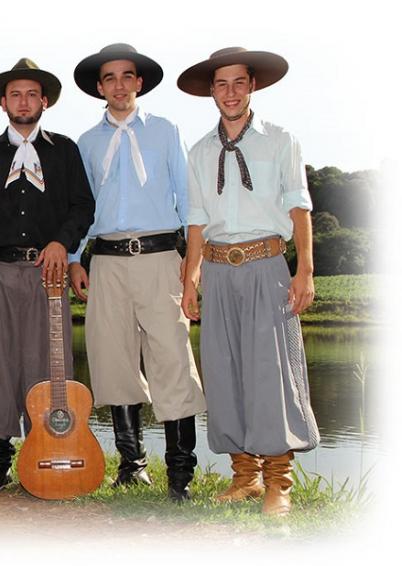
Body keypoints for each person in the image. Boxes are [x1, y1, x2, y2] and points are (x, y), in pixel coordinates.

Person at [178, 47, 320, 515]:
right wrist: (190, 279)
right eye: (222, 84)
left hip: (266, 264)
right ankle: (245, 476)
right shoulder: (198, 152)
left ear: (252, 86)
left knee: (269, 373)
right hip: (217, 271)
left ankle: (279, 481)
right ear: (212, 92)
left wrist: (304, 270)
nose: (231, 92)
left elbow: (299, 206)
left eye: (239, 82)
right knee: (224, 372)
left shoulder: (280, 141)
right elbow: (195, 223)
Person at [68, 43, 206, 501]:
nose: (120, 84)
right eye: (110, 78)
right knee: (113, 360)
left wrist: (192, 265)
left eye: (128, 76)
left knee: (172, 360)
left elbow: (188, 201)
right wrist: (73, 258)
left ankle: (180, 475)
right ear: (100, 88)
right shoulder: (86, 143)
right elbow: (82, 208)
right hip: (106, 261)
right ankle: (132, 465)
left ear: (139, 83)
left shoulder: (165, 131)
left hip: (160, 256)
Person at [0, 58, 95, 495]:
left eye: (32, 94)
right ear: (4, 102)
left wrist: (62, 242)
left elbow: (82, 207)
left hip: (48, 272)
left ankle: (45, 451)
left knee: (47, 366)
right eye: (15, 94)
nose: (24, 101)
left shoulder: (65, 151)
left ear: (45, 102)